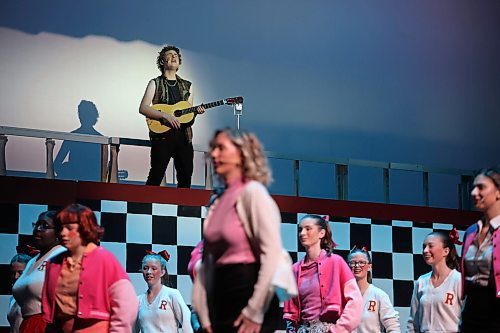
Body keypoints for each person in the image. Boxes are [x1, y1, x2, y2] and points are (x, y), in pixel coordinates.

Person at [192, 128, 285, 333]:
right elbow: (206, 263)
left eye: (221, 148)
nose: (214, 154)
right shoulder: (218, 200)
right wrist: (205, 315)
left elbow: (271, 256)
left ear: (241, 153)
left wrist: (255, 311)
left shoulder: (253, 193)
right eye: (213, 148)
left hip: (247, 299)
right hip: (221, 303)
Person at [42, 203, 138, 332]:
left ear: (84, 228)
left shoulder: (104, 259)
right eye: (61, 228)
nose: (63, 233)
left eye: (69, 228)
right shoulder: (54, 262)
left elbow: (125, 304)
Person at [283, 214, 363, 333]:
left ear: (321, 233)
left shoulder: (336, 262)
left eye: (308, 229)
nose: (302, 233)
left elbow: (355, 302)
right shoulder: (294, 270)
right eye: (300, 229)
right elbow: (291, 312)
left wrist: (338, 330)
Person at [139, 45, 205, 187]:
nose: (174, 56)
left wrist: (196, 113)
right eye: (169, 54)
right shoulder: (155, 83)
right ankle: (143, 207)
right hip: (162, 136)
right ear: (162, 61)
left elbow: (187, 115)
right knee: (156, 175)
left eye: (176, 55)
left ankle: (182, 209)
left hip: (184, 137)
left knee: (186, 177)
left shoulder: (188, 86)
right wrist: (165, 116)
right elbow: (143, 108)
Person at [460, 166, 500, 332]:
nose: (474, 192)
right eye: (473, 187)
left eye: (481, 187)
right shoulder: (470, 232)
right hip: (471, 309)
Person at [12, 210, 65, 333]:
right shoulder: (32, 261)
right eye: (36, 225)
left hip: (49, 326)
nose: (38, 229)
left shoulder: (63, 255)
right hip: (28, 325)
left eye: (45, 226)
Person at [406, 230, 462, 333]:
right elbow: (413, 323)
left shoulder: (458, 280)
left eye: (430, 246)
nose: (425, 250)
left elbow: (469, 319)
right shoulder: (421, 281)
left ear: (446, 251)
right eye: (424, 247)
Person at [134, 251, 192, 332]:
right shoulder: (138, 300)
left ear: (162, 272)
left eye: (153, 268)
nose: (149, 272)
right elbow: (133, 329)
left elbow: (187, 323)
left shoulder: (172, 294)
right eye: (145, 268)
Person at [347, 246, 400, 333]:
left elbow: (393, 327)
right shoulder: (341, 295)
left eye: (361, 262)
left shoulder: (379, 295)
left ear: (369, 266)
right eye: (352, 262)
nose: (357, 266)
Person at [7, 252, 32, 333]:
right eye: (13, 273)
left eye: (20, 273)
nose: (15, 277)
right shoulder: (13, 298)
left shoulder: (33, 296)